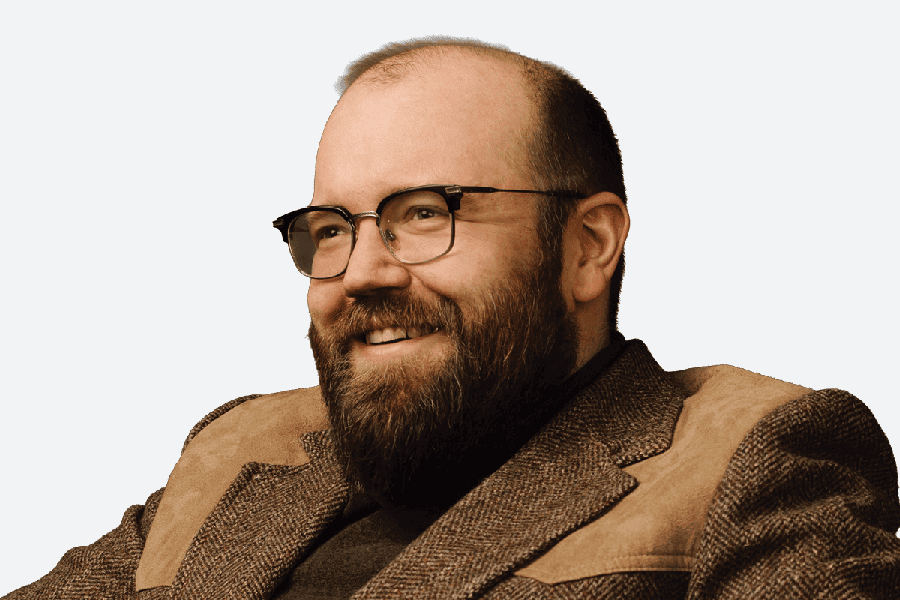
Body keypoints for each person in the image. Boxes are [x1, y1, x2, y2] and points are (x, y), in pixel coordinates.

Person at [6, 38, 899, 600]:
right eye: (331, 229)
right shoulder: (238, 446)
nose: (360, 272)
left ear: (587, 246)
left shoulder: (753, 456)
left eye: (425, 213)